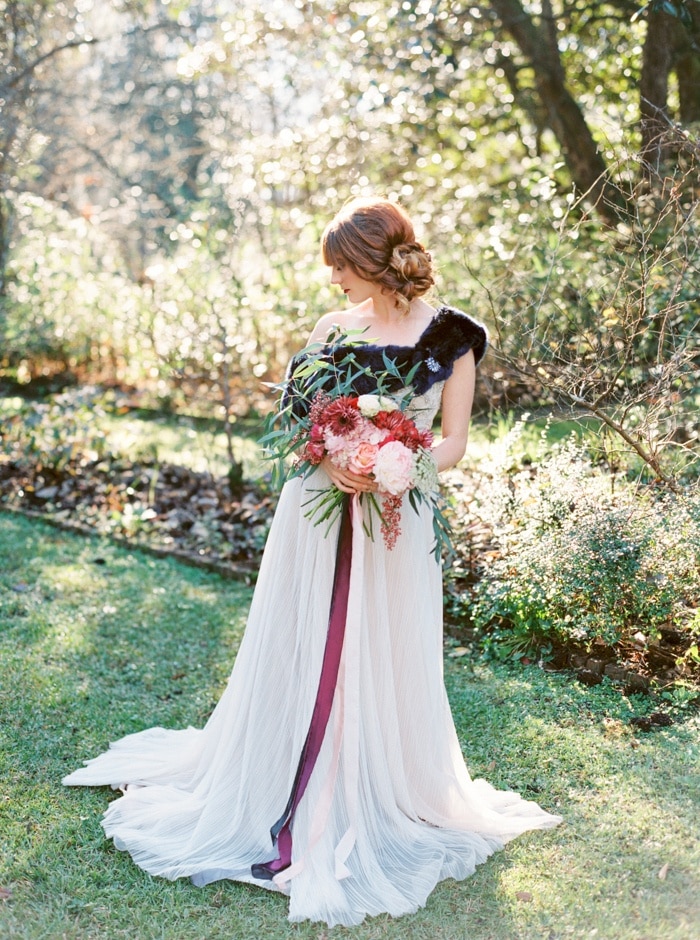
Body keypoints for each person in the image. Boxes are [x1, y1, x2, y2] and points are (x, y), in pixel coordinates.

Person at [63, 197, 561, 927]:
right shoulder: (333, 329)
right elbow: (299, 421)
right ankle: (295, 770)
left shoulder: (456, 338)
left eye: (339, 264)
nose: (330, 277)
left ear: (370, 261)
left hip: (396, 514)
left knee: (384, 644)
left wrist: (397, 461)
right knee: (314, 642)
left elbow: (454, 440)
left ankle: (376, 778)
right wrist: (335, 456)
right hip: (319, 513)